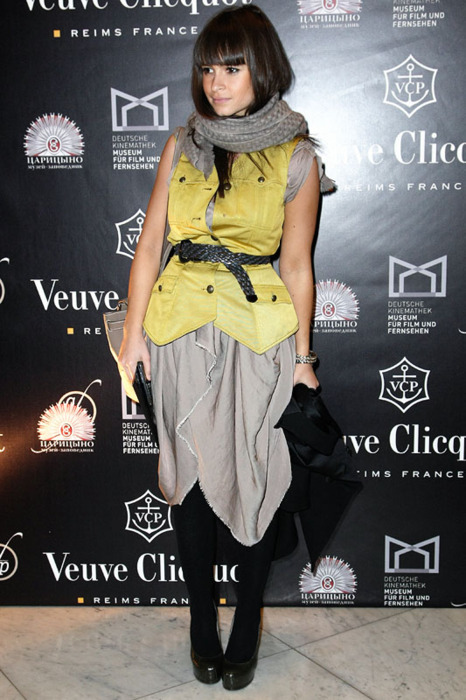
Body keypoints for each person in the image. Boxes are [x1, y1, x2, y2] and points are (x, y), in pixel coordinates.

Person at [118, 4, 332, 691]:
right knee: (189, 480)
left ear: (262, 69)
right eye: (208, 68)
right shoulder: (180, 145)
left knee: (256, 480)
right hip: (177, 329)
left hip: (257, 337)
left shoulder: (297, 158)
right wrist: (132, 337)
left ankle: (245, 627)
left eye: (233, 67)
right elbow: (149, 245)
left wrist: (302, 360)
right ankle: (200, 624)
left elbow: (296, 266)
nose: (216, 82)